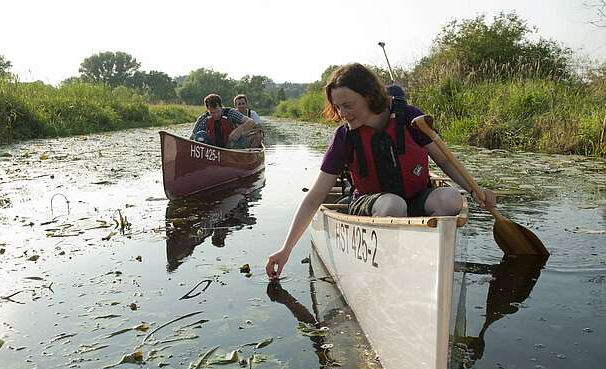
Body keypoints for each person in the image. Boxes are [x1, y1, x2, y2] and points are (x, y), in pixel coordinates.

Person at [265, 63, 496, 280]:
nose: (342, 113)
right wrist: (286, 249)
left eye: (348, 105)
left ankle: (435, 269)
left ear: (369, 96)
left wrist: (475, 190)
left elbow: (445, 161)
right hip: (371, 204)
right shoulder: (345, 137)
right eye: (337, 107)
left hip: (416, 198)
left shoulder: (410, 118)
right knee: (393, 205)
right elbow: (315, 197)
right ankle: (390, 271)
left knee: (450, 198)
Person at [191, 93, 258, 148]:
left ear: (221, 106)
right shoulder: (203, 118)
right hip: (212, 148)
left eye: (218, 111)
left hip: (231, 145)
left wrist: (238, 130)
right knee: (200, 135)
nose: (216, 115)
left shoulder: (230, 112)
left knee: (240, 137)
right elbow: (192, 137)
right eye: (212, 113)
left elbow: (251, 122)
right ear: (207, 110)